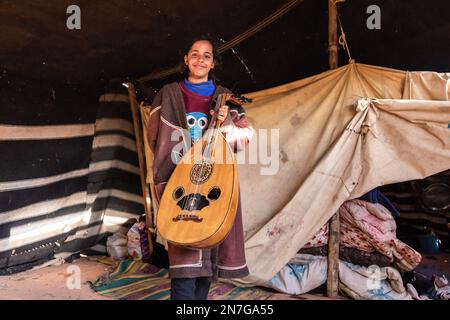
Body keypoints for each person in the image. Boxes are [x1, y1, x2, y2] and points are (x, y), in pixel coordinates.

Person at [146, 35, 253, 300]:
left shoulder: (225, 99)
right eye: (194, 54)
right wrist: (178, 163)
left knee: (206, 260)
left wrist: (225, 123)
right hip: (179, 182)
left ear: (213, 63)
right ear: (186, 59)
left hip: (213, 181)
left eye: (207, 55)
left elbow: (243, 140)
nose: (200, 60)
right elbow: (153, 137)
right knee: (183, 261)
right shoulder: (169, 94)